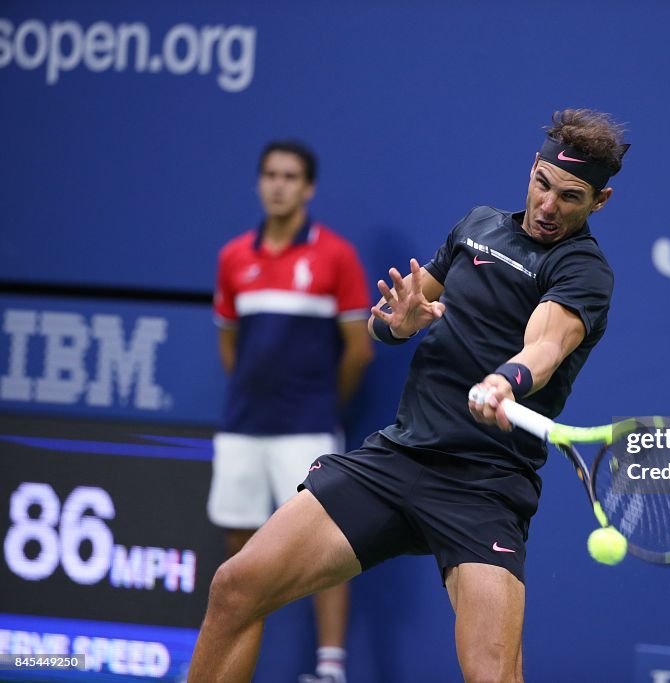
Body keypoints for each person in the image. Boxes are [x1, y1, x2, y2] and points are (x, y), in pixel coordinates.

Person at [188, 109, 628, 683]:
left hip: (485, 485)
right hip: (398, 459)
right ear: (532, 168)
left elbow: (546, 343)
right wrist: (396, 324)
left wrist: (507, 380)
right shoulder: (477, 225)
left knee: (494, 675)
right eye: (542, 183)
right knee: (235, 587)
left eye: (570, 197)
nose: (548, 206)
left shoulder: (583, 270)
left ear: (600, 201)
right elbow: (392, 317)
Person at [207, 140, 374, 683]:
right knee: (238, 552)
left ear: (309, 188)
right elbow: (231, 345)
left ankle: (329, 669)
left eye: (291, 176)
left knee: (324, 549)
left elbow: (358, 351)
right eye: (270, 175)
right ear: (260, 183)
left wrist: (323, 406)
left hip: (309, 429)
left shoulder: (336, 257)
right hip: (242, 428)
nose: (279, 184)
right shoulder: (234, 257)